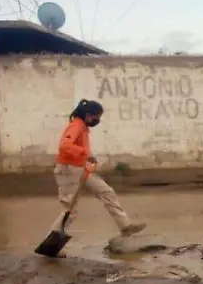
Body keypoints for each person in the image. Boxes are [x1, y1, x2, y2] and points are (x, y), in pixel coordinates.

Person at [52, 99, 146, 237]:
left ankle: (125, 226)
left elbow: (77, 148)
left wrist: (88, 156)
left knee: (107, 192)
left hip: (80, 169)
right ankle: (52, 240)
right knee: (70, 209)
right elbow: (64, 145)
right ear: (89, 115)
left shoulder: (83, 127)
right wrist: (84, 153)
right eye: (97, 117)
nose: (98, 120)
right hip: (68, 171)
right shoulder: (76, 125)